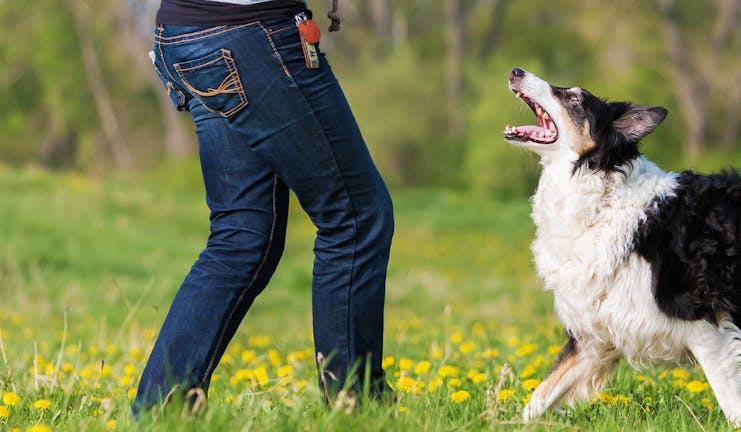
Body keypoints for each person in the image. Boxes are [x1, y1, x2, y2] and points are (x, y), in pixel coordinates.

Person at [133, 0, 394, 414]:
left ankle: (159, 414)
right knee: (356, 218)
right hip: (251, 35)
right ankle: (357, 410)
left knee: (242, 239)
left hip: (187, 33)